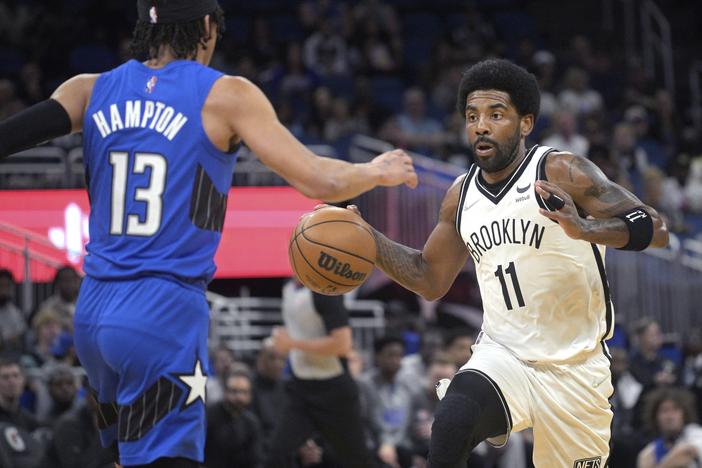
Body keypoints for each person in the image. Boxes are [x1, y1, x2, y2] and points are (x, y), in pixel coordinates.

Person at [0, 1, 417, 466]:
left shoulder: (88, 89)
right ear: (205, 27)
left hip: (93, 313)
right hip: (161, 313)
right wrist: (376, 170)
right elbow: (322, 182)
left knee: (120, 459)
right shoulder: (226, 94)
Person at [346, 58, 669, 466]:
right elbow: (429, 278)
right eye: (472, 116)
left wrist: (585, 229)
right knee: (453, 419)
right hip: (504, 355)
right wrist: (368, 239)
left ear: (525, 123)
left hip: (576, 368)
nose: (481, 125)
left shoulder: (561, 170)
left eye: (496, 115)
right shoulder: (460, 196)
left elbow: (655, 228)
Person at [264, 281, 375, 468]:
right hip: (301, 387)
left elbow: (342, 344)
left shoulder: (327, 290)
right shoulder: (289, 288)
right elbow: (300, 332)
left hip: (334, 391)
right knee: (276, 455)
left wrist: (292, 344)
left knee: (357, 461)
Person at [204, 370, 263, 468]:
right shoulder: (208, 416)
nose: (239, 397)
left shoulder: (251, 423)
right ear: (225, 392)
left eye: (244, 392)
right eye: (234, 391)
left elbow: (255, 461)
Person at [637, 387, 702, 468]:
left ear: (684, 414)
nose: (670, 416)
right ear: (655, 417)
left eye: (675, 409)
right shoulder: (649, 452)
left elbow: (686, 452)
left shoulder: (695, 433)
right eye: (664, 410)